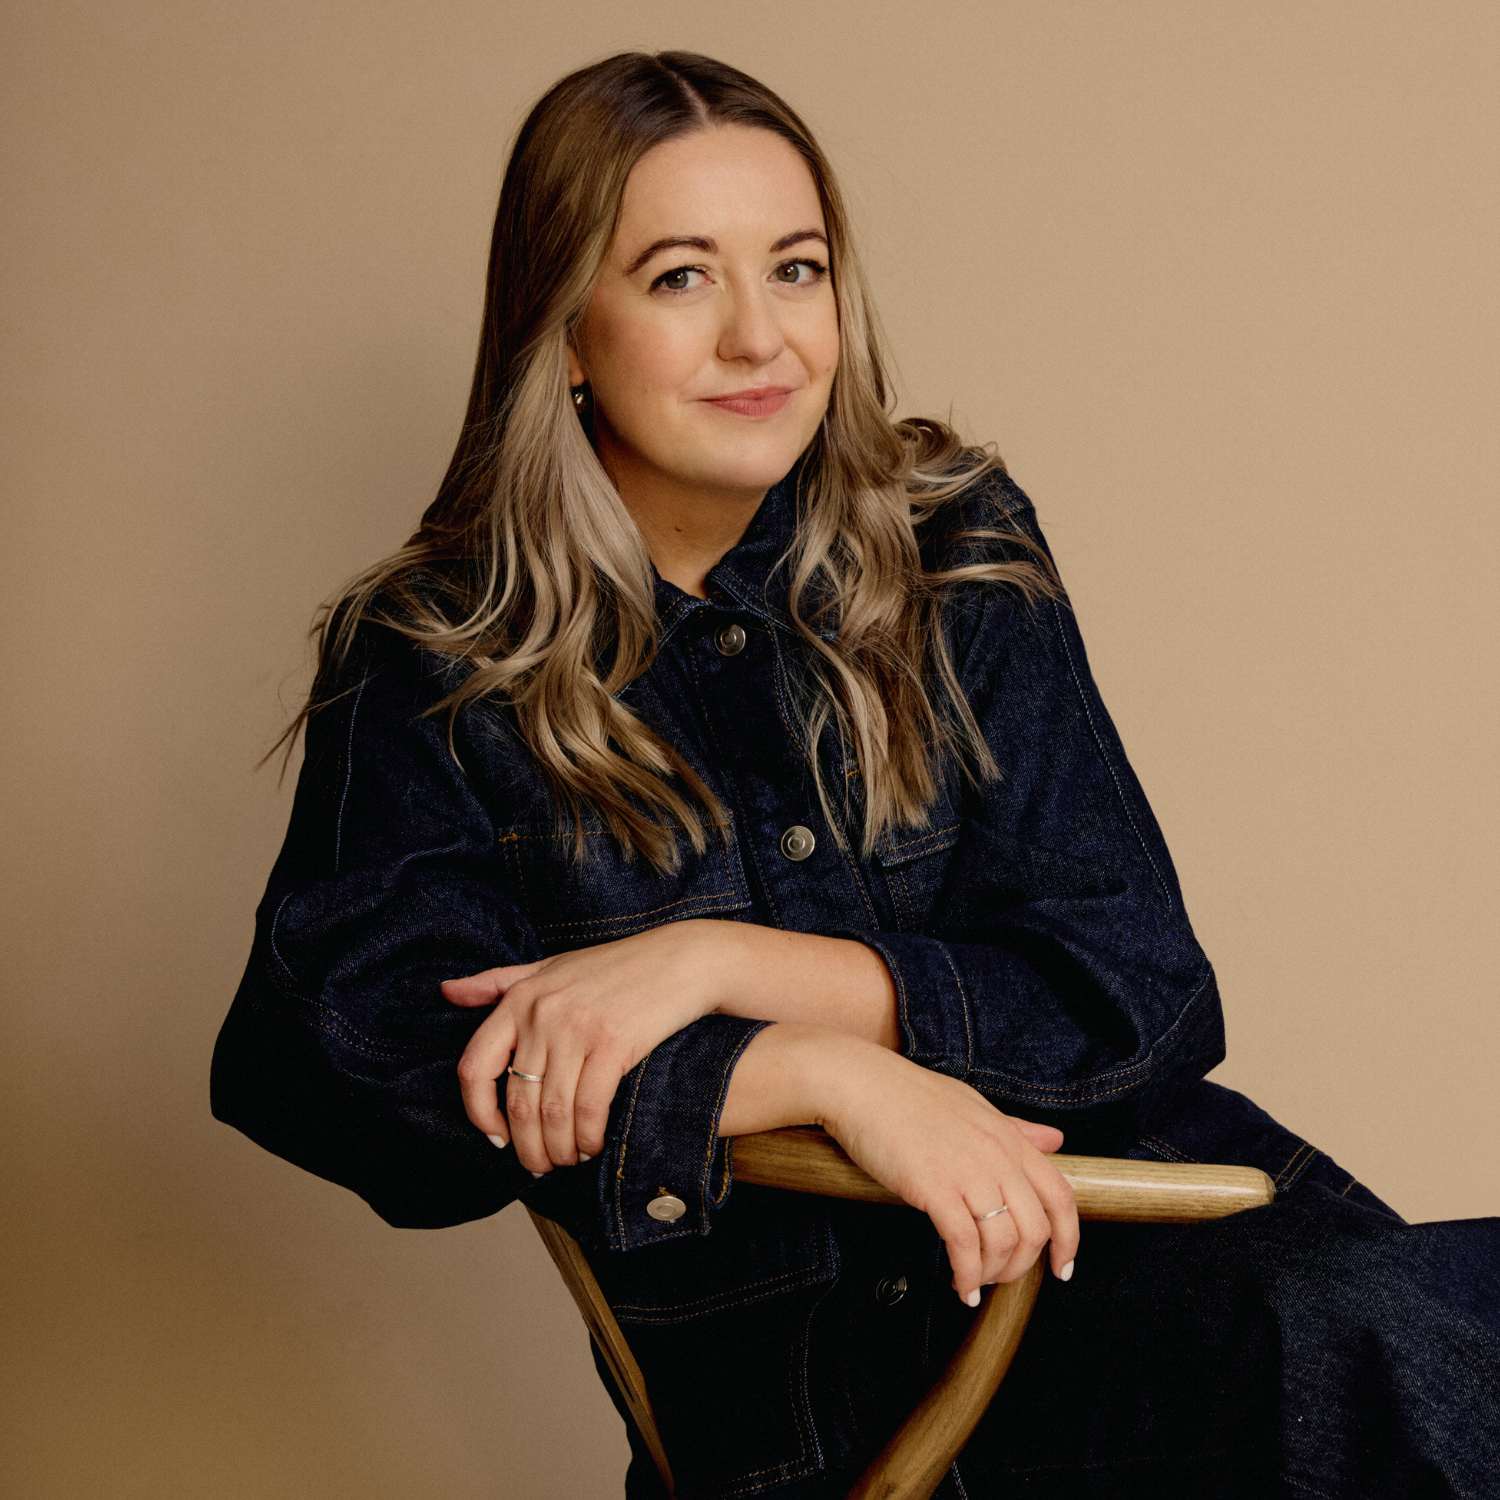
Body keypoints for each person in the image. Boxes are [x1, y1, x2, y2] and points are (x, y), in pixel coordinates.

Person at [211, 51, 1499, 1500]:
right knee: (1362, 1341)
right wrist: (805, 1073)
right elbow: (329, 1060)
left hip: (1142, 1246)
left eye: (800, 269)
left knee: (1408, 1332)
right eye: (683, 277)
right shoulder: (442, 658)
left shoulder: (955, 554)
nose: (762, 339)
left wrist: (717, 962)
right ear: (568, 328)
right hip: (846, 1377)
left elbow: (1138, 989)